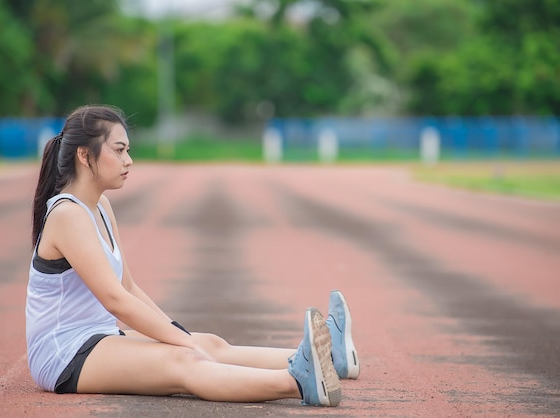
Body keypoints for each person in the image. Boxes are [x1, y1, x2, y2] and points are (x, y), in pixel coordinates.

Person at [26, 104, 360, 407]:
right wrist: (180, 344)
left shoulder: (100, 206)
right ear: (84, 155)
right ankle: (299, 383)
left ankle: (330, 358)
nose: (129, 160)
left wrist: (179, 334)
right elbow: (115, 300)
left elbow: (128, 286)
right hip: (62, 354)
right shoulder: (68, 215)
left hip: (95, 337)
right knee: (184, 362)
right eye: (120, 150)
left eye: (128, 150)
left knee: (209, 343)